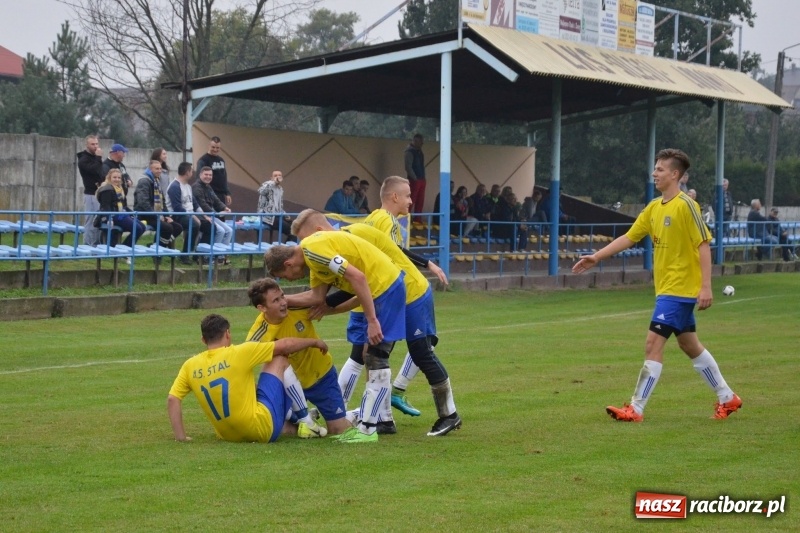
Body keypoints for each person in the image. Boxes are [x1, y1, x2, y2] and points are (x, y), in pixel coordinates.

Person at [572, 148, 741, 423]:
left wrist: (706, 286)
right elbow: (630, 237)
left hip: (679, 289)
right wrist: (596, 257)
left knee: (653, 344)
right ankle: (727, 397)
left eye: (660, 169)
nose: (654, 174)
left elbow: (703, 244)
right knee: (689, 345)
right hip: (667, 289)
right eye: (655, 169)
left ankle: (636, 409)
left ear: (675, 174)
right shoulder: (653, 207)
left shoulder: (687, 205)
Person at [292, 209, 460, 437]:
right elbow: (350, 285)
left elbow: (374, 267)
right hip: (377, 297)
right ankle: (380, 419)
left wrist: (427, 263)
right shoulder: (332, 247)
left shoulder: (355, 234)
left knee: (419, 352)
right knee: (366, 354)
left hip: (409, 292)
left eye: (305, 240)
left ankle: (449, 415)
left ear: (319, 232)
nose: (303, 247)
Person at [264, 227, 407, 444]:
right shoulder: (311, 259)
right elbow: (316, 297)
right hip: (381, 287)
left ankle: (370, 428)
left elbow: (358, 277)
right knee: (371, 355)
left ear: (288, 264)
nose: (288, 280)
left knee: (376, 356)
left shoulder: (314, 251)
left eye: (283, 276)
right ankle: (378, 421)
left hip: (384, 288)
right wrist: (278, 302)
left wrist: (371, 320)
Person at [167, 313, 329, 443]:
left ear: (203, 340)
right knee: (279, 358)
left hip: (229, 436)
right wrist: (314, 342)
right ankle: (306, 421)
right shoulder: (238, 352)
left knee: (253, 386)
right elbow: (285, 345)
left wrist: (181, 437)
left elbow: (173, 399)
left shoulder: (190, 365)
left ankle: (295, 419)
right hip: (262, 428)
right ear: (228, 334)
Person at [245, 278, 350, 437]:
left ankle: (356, 414)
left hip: (319, 375)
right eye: (276, 300)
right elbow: (243, 367)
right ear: (262, 308)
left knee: (338, 430)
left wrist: (365, 298)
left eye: (282, 296)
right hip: (289, 387)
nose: (283, 303)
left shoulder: (297, 308)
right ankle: (302, 419)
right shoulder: (258, 335)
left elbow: (333, 304)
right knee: (280, 431)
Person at [166, 162, 212, 264]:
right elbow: (177, 208)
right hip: (177, 215)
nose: (192, 173)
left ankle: (199, 254)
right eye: (191, 171)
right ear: (187, 172)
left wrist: (204, 216)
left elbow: (195, 204)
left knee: (210, 225)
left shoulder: (188, 186)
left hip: (189, 214)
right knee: (194, 225)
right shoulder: (174, 186)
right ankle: (185, 254)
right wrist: (193, 216)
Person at [133, 160, 183, 250]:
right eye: (156, 169)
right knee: (168, 228)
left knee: (178, 227)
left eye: (160, 168)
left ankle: (157, 246)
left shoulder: (156, 180)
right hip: (145, 215)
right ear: (150, 169)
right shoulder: (144, 181)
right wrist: (157, 215)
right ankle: (157, 251)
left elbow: (162, 201)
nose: (159, 171)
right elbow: (143, 202)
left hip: (156, 214)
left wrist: (167, 215)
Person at [95, 168, 145, 247]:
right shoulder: (106, 189)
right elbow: (106, 207)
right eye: (114, 177)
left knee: (142, 227)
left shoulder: (120, 189)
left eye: (119, 178)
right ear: (109, 178)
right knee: (137, 228)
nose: (117, 180)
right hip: (112, 216)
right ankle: (125, 249)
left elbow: (124, 205)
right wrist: (109, 219)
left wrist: (132, 213)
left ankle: (125, 247)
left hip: (121, 214)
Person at [193, 165, 233, 264]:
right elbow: (202, 204)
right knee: (220, 230)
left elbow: (216, 200)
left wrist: (224, 207)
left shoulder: (208, 187)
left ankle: (220, 256)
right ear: (200, 175)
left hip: (211, 215)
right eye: (206, 174)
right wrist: (216, 213)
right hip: (201, 216)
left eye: (210, 175)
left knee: (229, 230)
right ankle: (209, 256)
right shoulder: (196, 187)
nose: (208, 177)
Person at [77, 135, 104, 246]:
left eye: (96, 144)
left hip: (99, 193)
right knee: (91, 220)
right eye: (92, 144)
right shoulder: (84, 160)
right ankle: (88, 244)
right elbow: (94, 170)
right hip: (91, 194)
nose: (95, 146)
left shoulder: (95, 158)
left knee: (98, 220)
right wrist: (98, 158)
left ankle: (96, 243)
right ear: (87, 145)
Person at [196, 136, 231, 206]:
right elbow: (198, 178)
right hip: (208, 195)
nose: (215, 150)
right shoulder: (203, 160)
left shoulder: (221, 160)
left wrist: (227, 193)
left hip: (221, 196)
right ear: (209, 146)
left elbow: (224, 178)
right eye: (213, 147)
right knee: (211, 216)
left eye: (217, 148)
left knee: (221, 215)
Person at [257, 170, 293, 239]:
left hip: (278, 215)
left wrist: (285, 215)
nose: (277, 177)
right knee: (290, 230)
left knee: (295, 228)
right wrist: (273, 182)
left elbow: (279, 206)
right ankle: (287, 248)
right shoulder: (267, 184)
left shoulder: (280, 189)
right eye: (275, 175)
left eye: (279, 175)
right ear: (271, 178)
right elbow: (261, 191)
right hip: (267, 216)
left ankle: (288, 248)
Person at [404, 133, 426, 222]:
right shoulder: (409, 152)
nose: (421, 144)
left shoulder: (420, 152)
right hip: (414, 179)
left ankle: (418, 218)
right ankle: (407, 218)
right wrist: (414, 178)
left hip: (422, 178)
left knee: (420, 200)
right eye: (420, 142)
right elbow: (408, 167)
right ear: (415, 141)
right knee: (412, 199)